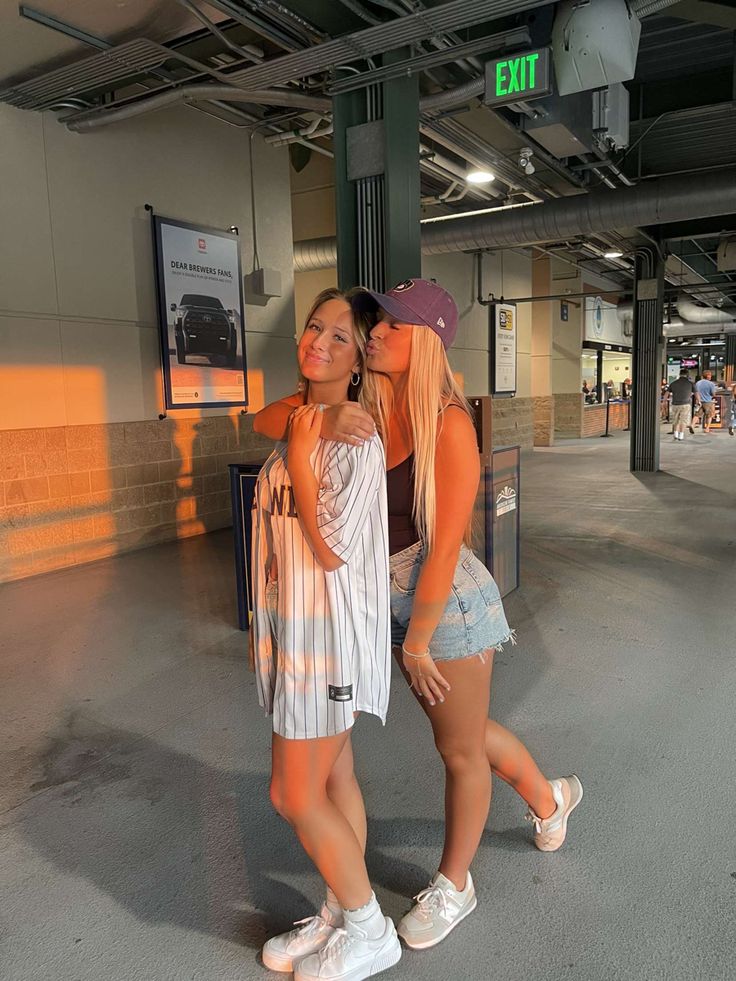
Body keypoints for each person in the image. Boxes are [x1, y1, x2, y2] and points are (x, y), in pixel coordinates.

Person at [255, 279, 582, 952]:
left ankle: (456, 883)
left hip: (442, 600)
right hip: (377, 600)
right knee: (468, 730)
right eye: (377, 324)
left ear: (426, 341)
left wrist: (419, 640)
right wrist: (319, 418)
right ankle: (549, 794)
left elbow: (446, 544)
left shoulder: (449, 423)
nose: (376, 333)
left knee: (457, 746)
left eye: (393, 326)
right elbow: (265, 419)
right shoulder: (364, 400)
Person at [250, 287, 401, 981]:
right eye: (316, 326)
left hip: (327, 639)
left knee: (293, 793)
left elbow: (333, 546)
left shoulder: (353, 436)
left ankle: (371, 928)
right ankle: (343, 909)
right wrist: (303, 427)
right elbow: (265, 417)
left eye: (342, 337)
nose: (321, 341)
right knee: (335, 776)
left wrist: (306, 451)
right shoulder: (305, 417)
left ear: (359, 360)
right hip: (294, 629)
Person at [667, 369, 695, 441]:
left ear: (679, 374)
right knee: (683, 420)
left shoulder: (673, 383)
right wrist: (698, 400)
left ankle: (675, 434)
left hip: (675, 404)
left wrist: (664, 401)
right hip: (686, 404)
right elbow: (696, 393)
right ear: (687, 375)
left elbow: (666, 393)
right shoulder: (690, 383)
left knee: (675, 419)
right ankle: (681, 435)